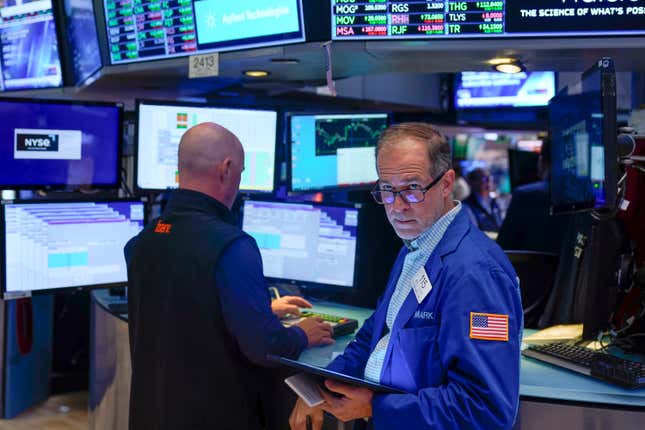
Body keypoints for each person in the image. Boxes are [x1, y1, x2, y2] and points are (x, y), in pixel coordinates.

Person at [290, 123, 523, 429]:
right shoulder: (416, 245)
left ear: (446, 183)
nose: (397, 207)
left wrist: (377, 408)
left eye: (412, 188)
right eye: (387, 189)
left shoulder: (475, 274)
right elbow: (374, 335)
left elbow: (485, 409)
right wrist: (320, 388)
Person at [125, 122, 334, 430]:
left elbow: (183, 309)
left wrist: (262, 310)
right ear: (226, 169)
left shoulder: (144, 241)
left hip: (151, 415)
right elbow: (266, 347)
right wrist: (304, 333)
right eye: (242, 171)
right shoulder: (233, 245)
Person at [497, 138, 571, 254]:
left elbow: (504, 245)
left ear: (541, 161)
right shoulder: (581, 197)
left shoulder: (524, 194)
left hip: (529, 271)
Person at [463, 168, 504, 233]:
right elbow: (474, 232)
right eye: (484, 178)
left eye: (489, 178)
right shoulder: (466, 206)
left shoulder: (495, 201)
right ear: (473, 183)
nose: (488, 181)